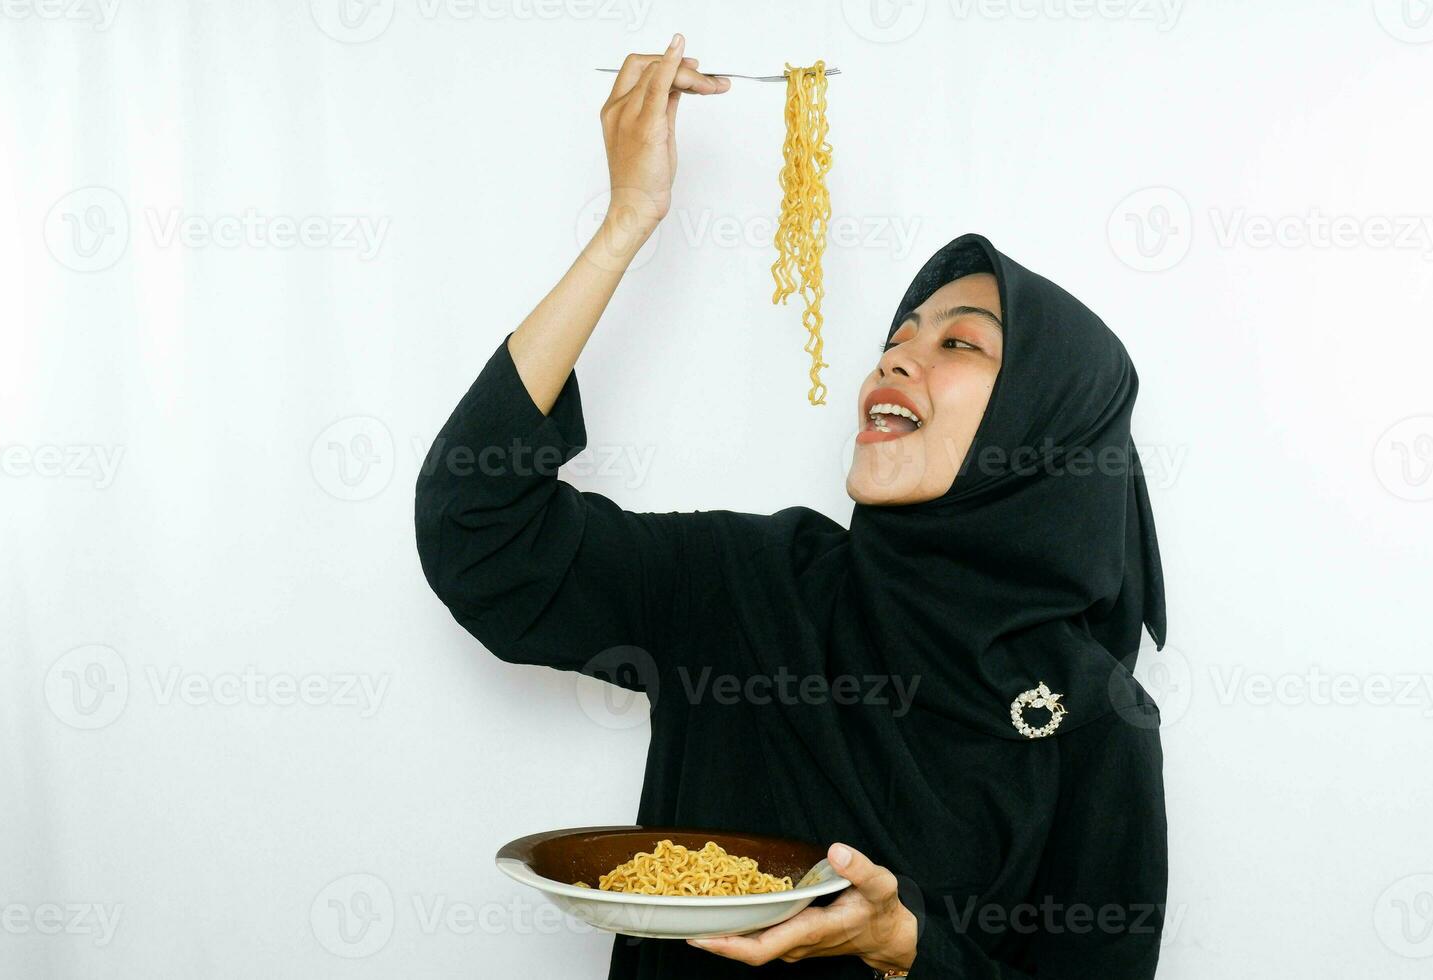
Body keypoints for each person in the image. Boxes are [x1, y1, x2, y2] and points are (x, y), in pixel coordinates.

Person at [414, 35, 1169, 979]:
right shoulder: (749, 585)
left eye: (961, 345)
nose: (895, 358)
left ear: (1046, 428)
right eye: (897, 336)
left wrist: (906, 949)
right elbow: (477, 531)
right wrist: (626, 222)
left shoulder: (1092, 718)